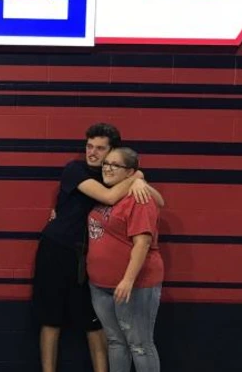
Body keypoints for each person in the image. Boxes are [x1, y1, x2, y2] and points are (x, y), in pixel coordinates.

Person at [33, 122, 162, 372]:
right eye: (89, 146)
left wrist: (138, 179)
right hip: (56, 251)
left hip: (87, 259)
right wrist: (135, 176)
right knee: (51, 320)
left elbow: (160, 201)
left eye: (100, 148)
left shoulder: (112, 175)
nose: (92, 152)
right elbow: (108, 198)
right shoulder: (75, 169)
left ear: (112, 152)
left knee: (94, 324)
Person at [87, 147, 164, 372]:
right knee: (116, 342)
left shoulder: (139, 198)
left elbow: (143, 244)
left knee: (140, 345)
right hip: (101, 286)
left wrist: (128, 280)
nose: (108, 168)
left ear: (130, 171)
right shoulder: (106, 195)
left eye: (115, 165)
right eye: (106, 164)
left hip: (135, 286)